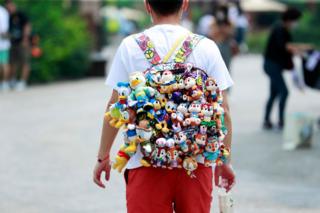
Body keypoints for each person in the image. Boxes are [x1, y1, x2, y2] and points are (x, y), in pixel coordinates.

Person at [93, 1, 235, 212]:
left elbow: (115, 106)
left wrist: (103, 156)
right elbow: (223, 111)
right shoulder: (206, 47)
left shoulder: (131, 46)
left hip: (146, 162)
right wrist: (224, 161)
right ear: (185, 4)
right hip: (195, 163)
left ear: (147, 5)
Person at [263, 8, 302, 130]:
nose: (297, 23)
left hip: (274, 66)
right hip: (272, 65)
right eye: (296, 21)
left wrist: (302, 48)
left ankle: (266, 120)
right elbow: (285, 46)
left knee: (274, 93)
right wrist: (299, 51)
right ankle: (281, 121)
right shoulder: (280, 29)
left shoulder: (283, 29)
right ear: (290, 20)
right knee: (284, 92)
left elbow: (289, 46)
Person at [5, 0, 31, 91]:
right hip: (12, 43)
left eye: (10, 6)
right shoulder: (7, 16)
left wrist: (25, 39)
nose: (9, 9)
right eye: (7, 7)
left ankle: (23, 82)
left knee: (24, 62)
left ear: (13, 5)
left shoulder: (20, 14)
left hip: (22, 42)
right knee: (13, 63)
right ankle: (13, 80)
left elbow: (27, 26)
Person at [0, 4, 10, 92]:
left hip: (2, 43)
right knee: (4, 63)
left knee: (3, 64)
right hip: (3, 43)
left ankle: (4, 83)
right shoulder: (4, 11)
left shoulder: (2, 12)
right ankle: (4, 83)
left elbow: (3, 31)